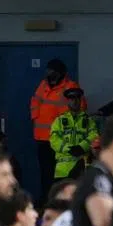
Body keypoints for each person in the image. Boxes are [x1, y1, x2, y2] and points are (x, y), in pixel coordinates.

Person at [29, 59, 83, 195]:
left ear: (60, 73)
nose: (49, 73)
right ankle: (47, 200)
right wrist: (35, 116)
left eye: (52, 71)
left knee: (62, 173)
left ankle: (62, 200)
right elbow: (35, 101)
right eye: (48, 70)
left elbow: (80, 107)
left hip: (62, 139)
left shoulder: (70, 86)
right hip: (43, 138)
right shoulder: (43, 85)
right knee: (45, 172)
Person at [50, 87, 98, 181]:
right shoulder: (59, 120)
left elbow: (94, 136)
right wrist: (69, 148)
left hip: (83, 169)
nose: (75, 101)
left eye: (77, 98)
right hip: (63, 170)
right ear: (68, 101)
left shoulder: (88, 120)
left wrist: (82, 147)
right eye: (72, 98)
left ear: (80, 100)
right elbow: (54, 140)